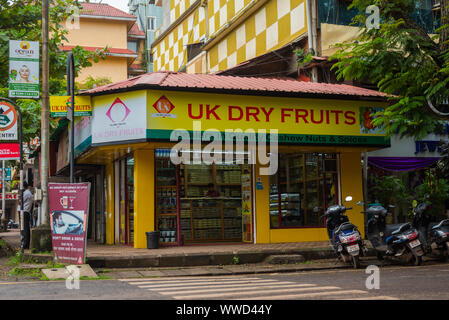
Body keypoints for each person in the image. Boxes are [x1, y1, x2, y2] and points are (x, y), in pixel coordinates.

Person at [21, 181, 33, 251]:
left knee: (25, 229)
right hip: (26, 212)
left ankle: (25, 244)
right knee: (26, 229)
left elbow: (20, 201)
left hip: (25, 212)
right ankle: (25, 244)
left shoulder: (26, 193)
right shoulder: (28, 193)